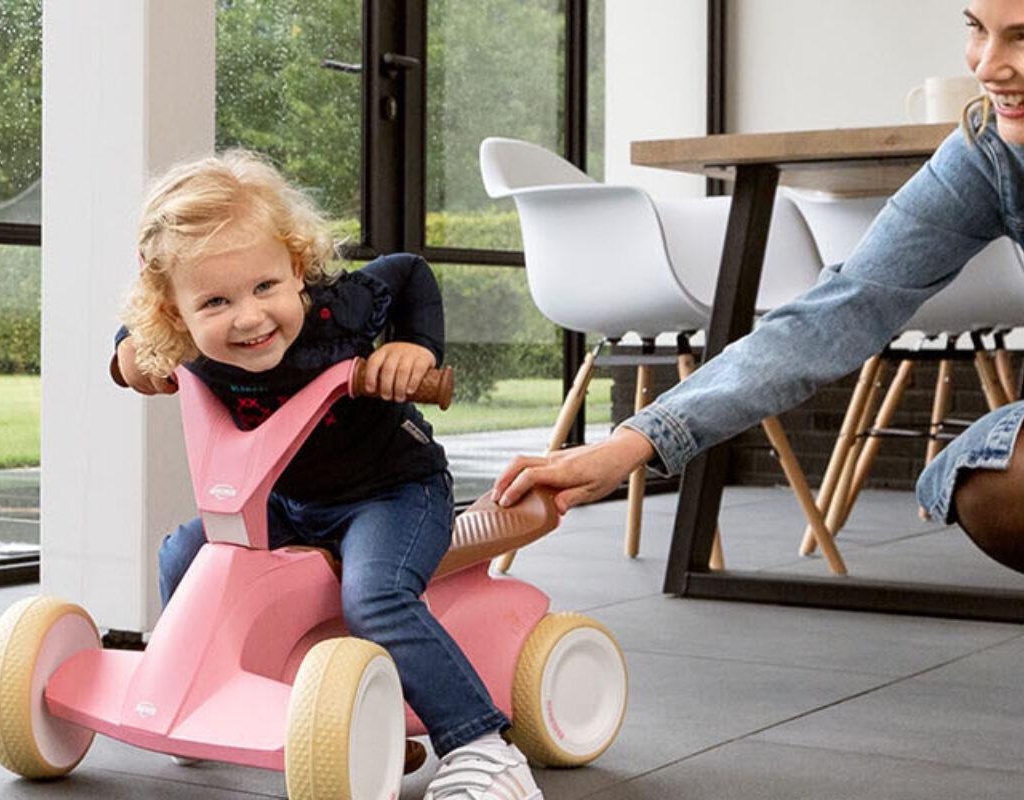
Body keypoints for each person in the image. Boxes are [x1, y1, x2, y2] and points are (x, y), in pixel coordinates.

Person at [493, 0, 1024, 574]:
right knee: (997, 485)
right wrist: (633, 443)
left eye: (1020, 39)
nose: (987, 67)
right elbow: (841, 310)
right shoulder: (985, 157)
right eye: (976, 30)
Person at [113, 150, 542, 800]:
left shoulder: (341, 307)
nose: (250, 317)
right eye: (217, 301)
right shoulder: (179, 331)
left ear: (296, 265)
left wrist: (414, 348)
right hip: (285, 498)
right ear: (176, 313)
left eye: (265, 287)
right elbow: (134, 336)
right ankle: (203, 696)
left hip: (391, 488)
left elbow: (410, 273)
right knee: (185, 555)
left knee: (374, 597)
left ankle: (482, 747)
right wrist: (126, 359)